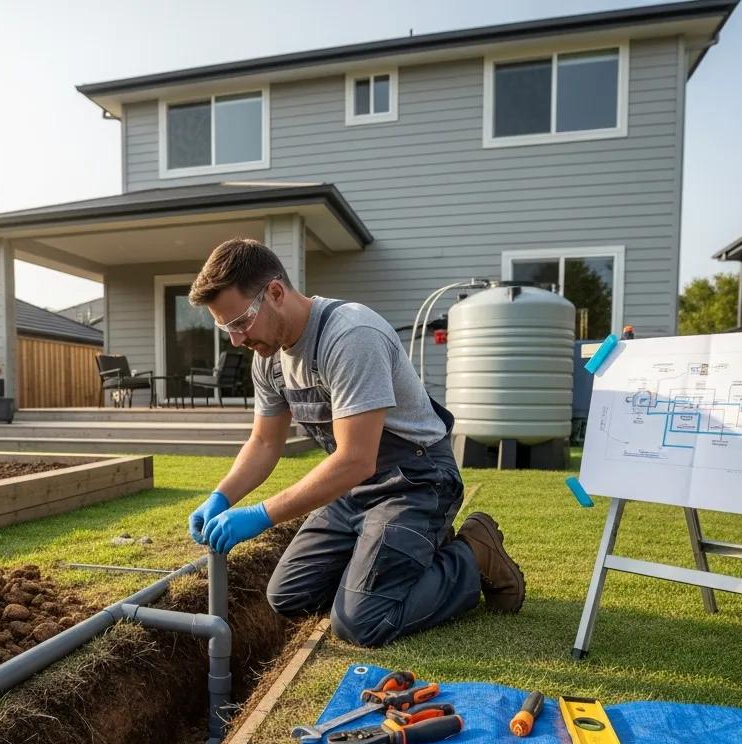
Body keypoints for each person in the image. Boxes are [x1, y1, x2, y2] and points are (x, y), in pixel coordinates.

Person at [186, 238, 525, 648]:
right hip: (356, 492)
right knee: (288, 595)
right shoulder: (268, 359)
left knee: (361, 623)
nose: (236, 340)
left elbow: (355, 459)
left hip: (417, 481)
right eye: (226, 329)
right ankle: (390, 560)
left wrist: (259, 515)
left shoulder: (350, 335)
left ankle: (472, 554)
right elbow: (263, 442)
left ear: (275, 292)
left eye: (240, 322)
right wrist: (221, 496)